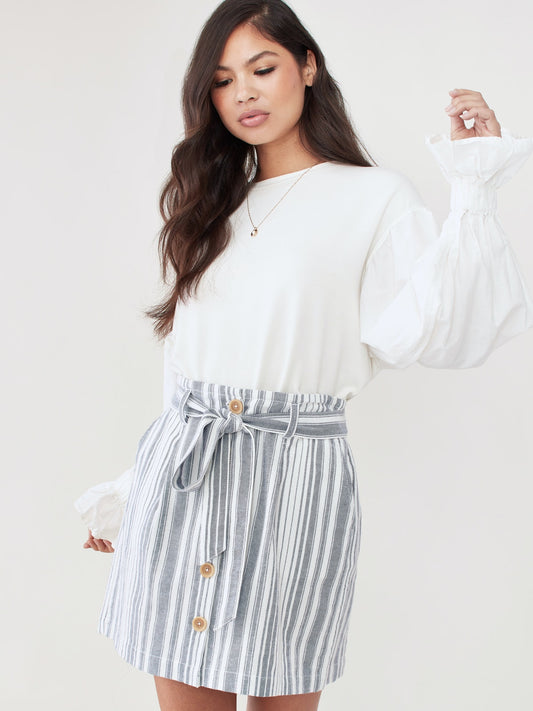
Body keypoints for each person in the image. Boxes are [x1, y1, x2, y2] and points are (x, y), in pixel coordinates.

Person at [74, 1, 533, 709]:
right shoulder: (211, 205)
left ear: (308, 66)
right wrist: (133, 489)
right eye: (222, 80)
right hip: (185, 480)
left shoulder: (375, 198)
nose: (244, 93)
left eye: (262, 68)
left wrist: (474, 184)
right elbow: (186, 373)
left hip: (296, 484)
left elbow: (441, 331)